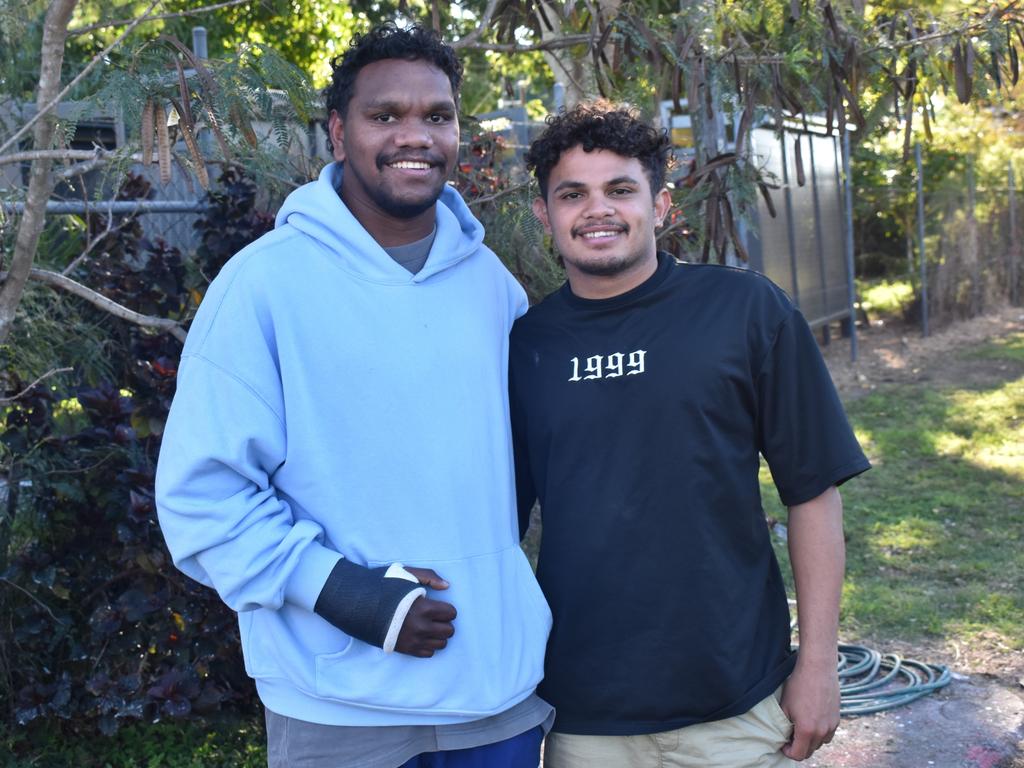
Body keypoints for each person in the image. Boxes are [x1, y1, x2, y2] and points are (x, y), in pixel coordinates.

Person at [156, 24, 552, 768]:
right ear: (339, 132)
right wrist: (346, 595)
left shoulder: (494, 289)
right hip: (336, 705)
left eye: (437, 116)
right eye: (386, 115)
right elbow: (200, 498)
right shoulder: (264, 285)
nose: (417, 136)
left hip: (494, 696)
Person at [509, 102, 871, 767]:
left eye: (621, 189)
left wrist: (817, 665)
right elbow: (497, 523)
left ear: (662, 203)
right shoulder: (525, 347)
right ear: (545, 215)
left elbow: (813, 492)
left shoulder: (743, 310)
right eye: (572, 194)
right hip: (586, 717)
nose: (599, 210)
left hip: (736, 704)